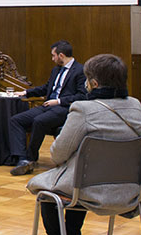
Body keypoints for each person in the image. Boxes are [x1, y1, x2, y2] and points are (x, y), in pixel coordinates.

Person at [26, 54, 141, 235]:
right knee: (79, 180)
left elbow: (58, 154)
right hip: (130, 190)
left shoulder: (84, 109)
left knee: (46, 189)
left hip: (90, 189)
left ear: (94, 83)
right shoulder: (135, 105)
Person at [9, 40, 88, 176]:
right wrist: (26, 92)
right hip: (47, 106)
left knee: (39, 121)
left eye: (53, 55)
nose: (52, 59)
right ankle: (21, 158)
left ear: (61, 55)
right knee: (16, 120)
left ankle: (30, 158)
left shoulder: (80, 71)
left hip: (64, 108)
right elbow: (46, 88)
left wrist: (58, 101)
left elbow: (82, 95)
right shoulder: (56, 69)